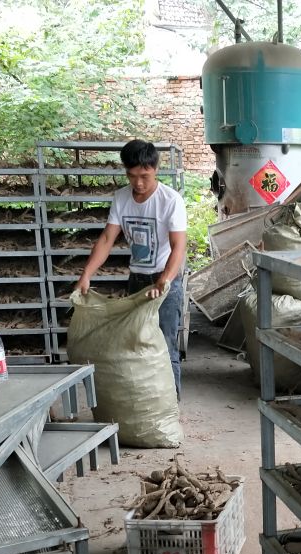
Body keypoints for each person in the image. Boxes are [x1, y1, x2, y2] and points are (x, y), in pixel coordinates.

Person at [74, 139, 188, 396]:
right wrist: (86, 275)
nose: (138, 183)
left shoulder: (171, 201)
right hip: (137, 281)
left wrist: (164, 281)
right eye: (132, 175)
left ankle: (170, 406)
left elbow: (178, 247)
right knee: (135, 344)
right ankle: (145, 399)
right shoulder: (121, 198)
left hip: (165, 282)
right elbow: (106, 239)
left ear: (155, 169)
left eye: (144, 176)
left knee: (165, 346)